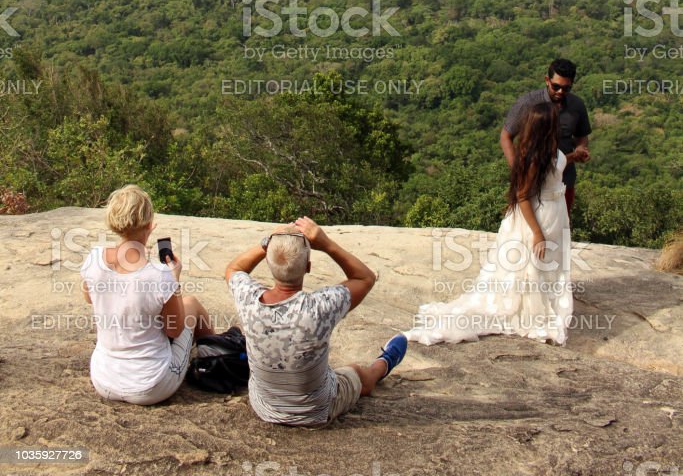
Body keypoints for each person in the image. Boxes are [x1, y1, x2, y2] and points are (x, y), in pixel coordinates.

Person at [406, 102, 573, 346]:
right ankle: (531, 314)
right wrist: (537, 232)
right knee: (532, 266)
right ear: (546, 127)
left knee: (546, 265)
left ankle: (546, 306)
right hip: (538, 217)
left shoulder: (551, 151)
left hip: (554, 214)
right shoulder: (535, 158)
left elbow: (553, 173)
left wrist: (573, 156)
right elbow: (523, 195)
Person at [225, 216, 407, 426]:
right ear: (308, 267)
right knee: (355, 372)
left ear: (268, 262)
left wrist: (268, 242)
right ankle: (383, 364)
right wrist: (326, 244)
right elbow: (365, 278)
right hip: (316, 410)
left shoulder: (248, 299)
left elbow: (234, 269)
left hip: (265, 406)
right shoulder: (321, 306)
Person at [81, 184, 214, 404]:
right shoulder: (159, 274)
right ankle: (215, 357)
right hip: (151, 385)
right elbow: (174, 329)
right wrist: (174, 280)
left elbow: (89, 297)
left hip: (103, 380)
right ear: (150, 225)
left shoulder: (94, 258)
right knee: (192, 304)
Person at [500, 58, 591, 213]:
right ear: (547, 80)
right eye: (556, 87)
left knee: (559, 227)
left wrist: (581, 149)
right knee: (528, 227)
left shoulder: (577, 105)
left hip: (563, 181)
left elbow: (582, 136)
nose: (560, 92)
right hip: (532, 180)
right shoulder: (528, 103)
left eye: (566, 88)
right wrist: (519, 171)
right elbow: (506, 136)